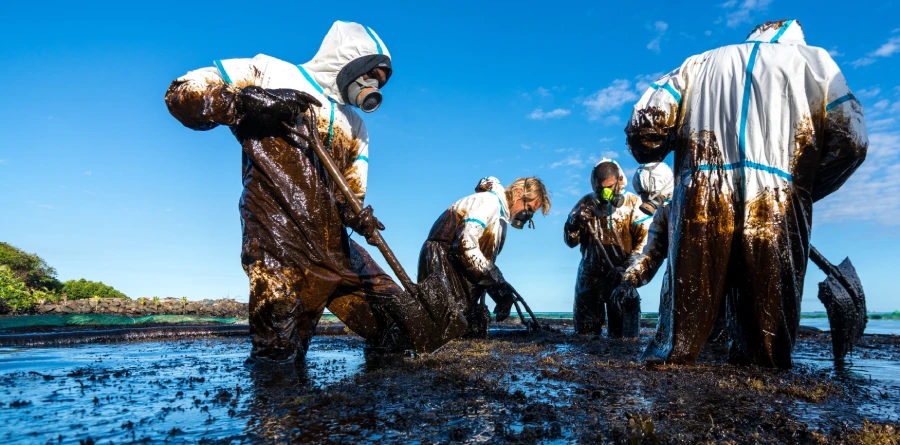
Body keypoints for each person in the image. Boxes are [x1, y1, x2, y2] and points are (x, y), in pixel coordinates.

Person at [625, 19, 867, 368]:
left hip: (700, 195)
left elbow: (643, 130)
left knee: (680, 337)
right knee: (766, 342)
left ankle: (666, 400)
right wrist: (801, 190)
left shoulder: (698, 64)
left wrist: (664, 156)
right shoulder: (816, 64)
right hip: (777, 201)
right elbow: (853, 141)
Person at [166, 21, 410, 364]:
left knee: (401, 324)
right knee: (279, 354)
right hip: (277, 237)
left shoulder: (356, 125)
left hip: (334, 246)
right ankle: (281, 412)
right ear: (351, 61)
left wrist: (358, 215)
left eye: (380, 83)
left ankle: (358, 415)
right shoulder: (269, 71)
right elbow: (181, 93)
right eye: (371, 75)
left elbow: (351, 194)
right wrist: (247, 101)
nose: (372, 86)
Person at [417, 176, 550, 338]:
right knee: (444, 326)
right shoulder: (489, 203)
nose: (526, 216)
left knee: (467, 327)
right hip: (440, 260)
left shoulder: (501, 220)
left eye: (531, 214)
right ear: (518, 193)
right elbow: (465, 244)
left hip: (455, 263)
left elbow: (484, 263)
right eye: (528, 208)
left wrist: (500, 293)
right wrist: (498, 284)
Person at [564, 159, 651, 337]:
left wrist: (627, 272)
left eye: (609, 187)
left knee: (624, 337)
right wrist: (573, 224)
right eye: (599, 190)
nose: (605, 194)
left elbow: (643, 244)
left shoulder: (634, 204)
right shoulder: (585, 203)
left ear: (620, 180)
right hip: (589, 278)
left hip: (620, 277)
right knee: (585, 335)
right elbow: (571, 242)